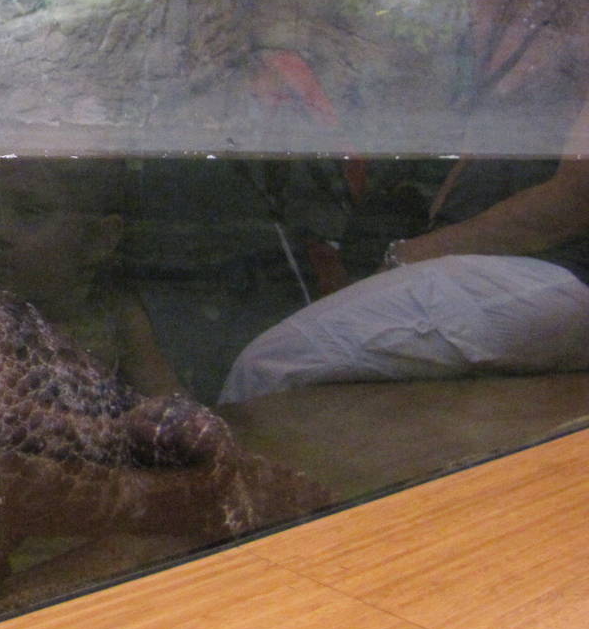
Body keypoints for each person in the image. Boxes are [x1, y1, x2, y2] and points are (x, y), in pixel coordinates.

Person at [219, 91, 589, 404]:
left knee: (272, 366)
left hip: (565, 271)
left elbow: (572, 201)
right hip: (503, 264)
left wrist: (405, 257)